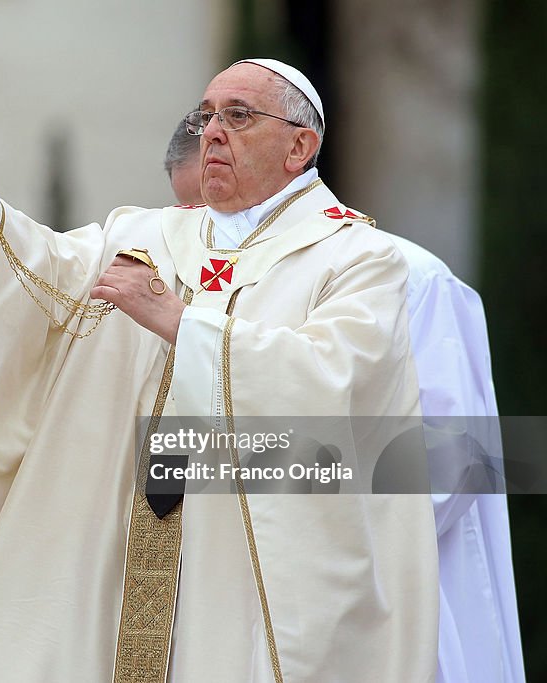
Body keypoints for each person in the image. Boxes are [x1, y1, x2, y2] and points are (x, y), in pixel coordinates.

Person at [0, 59, 439, 682]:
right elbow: (47, 277)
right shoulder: (144, 232)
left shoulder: (359, 257)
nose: (213, 132)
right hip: (111, 545)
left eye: (239, 116)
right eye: (207, 116)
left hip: (239, 566)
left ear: (300, 147)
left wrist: (178, 320)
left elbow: (333, 381)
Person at [166, 117, 526, 683]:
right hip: (240, 595)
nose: (203, 235)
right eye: (187, 216)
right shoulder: (207, 286)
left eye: (209, 214)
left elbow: (454, 461)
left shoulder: (408, 275)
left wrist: (269, 509)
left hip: (383, 594)